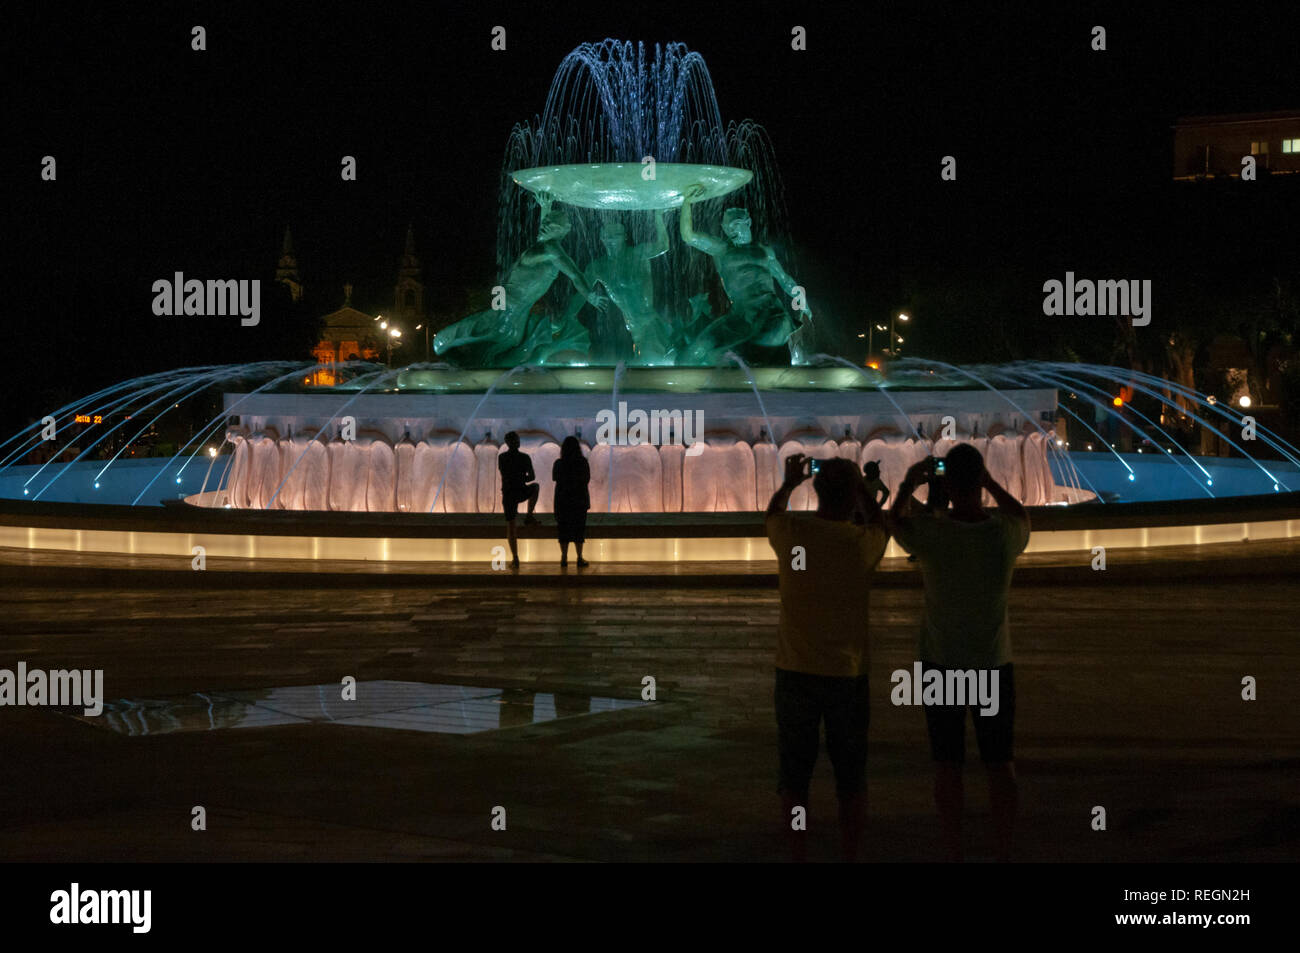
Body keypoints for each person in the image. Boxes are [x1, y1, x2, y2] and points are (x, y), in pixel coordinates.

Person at [884, 444, 1030, 863]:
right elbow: (1021, 514)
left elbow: (894, 523)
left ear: (946, 484)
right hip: (993, 665)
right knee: (1000, 763)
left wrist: (909, 484)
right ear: (981, 481)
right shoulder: (1005, 535)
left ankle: (953, 849)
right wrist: (990, 484)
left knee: (947, 766)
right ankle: (1002, 846)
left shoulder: (933, 535)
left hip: (941, 664)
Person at [765, 453, 888, 862]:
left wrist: (788, 483)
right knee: (851, 779)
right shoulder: (862, 544)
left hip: (796, 672)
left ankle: (798, 848)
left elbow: (772, 514)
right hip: (847, 675)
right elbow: (883, 525)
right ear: (852, 493)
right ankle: (849, 851)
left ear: (815, 490)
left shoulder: (792, 534)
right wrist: (865, 493)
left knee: (795, 780)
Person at [678, 185, 814, 365]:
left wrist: (802, 302)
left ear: (748, 223)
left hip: (769, 314)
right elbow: (689, 236)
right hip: (739, 316)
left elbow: (785, 279)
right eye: (727, 228)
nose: (731, 232)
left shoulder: (764, 251)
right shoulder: (723, 250)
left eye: (735, 225)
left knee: (734, 356)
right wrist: (687, 202)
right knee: (693, 352)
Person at [498, 431, 540, 569]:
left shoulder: (502, 457)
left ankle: (515, 558)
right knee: (535, 487)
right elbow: (532, 477)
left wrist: (515, 478)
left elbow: (505, 475)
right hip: (520, 490)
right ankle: (529, 515)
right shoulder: (525, 457)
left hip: (509, 493)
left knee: (511, 526)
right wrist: (522, 479)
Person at [552, 436, 591, 567]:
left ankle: (564, 557)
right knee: (579, 531)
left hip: (563, 501)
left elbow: (555, 478)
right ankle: (579, 557)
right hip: (579, 501)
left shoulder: (559, 463)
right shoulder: (582, 462)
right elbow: (586, 479)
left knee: (563, 531)